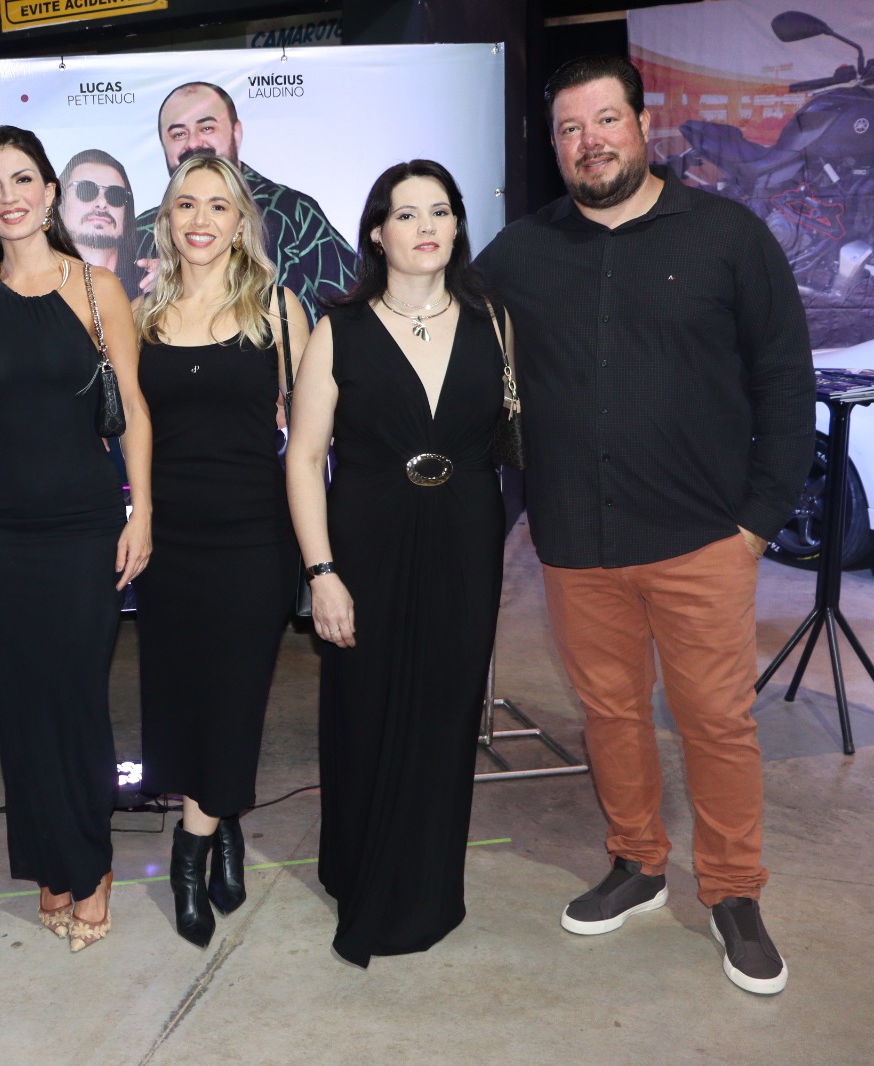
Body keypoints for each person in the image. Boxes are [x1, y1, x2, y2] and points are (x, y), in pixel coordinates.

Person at [475, 56, 815, 995]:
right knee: (611, 717)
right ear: (555, 147)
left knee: (716, 722)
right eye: (570, 129)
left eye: (604, 120)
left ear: (642, 124)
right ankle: (637, 863)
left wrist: (758, 522)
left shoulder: (726, 236)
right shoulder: (520, 253)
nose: (589, 142)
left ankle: (733, 892)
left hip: (704, 540)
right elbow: (441, 334)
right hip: (576, 543)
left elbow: (785, 382)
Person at [286, 160, 507, 968]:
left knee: (446, 715)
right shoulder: (338, 328)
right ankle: (358, 873)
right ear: (377, 233)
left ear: (457, 226)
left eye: (439, 211)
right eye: (406, 213)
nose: (425, 227)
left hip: (465, 543)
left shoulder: (493, 322)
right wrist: (322, 574)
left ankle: (428, 888)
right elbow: (303, 458)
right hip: (365, 548)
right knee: (365, 713)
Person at [0, 124, 152, 953]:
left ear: (51, 191)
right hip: (0, 529)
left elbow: (134, 408)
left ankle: (90, 863)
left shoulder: (97, 287)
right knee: (22, 703)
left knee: (76, 699)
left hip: (83, 526)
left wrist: (143, 512)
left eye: (23, 179)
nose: (10, 197)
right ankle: (47, 860)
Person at [133, 154, 308, 947]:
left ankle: (190, 849)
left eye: (217, 206)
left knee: (236, 694)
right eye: (185, 205)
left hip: (253, 538)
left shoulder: (277, 308)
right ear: (167, 221)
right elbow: (130, 430)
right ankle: (225, 821)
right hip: (168, 541)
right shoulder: (141, 315)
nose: (200, 219)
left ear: (241, 223)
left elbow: (314, 430)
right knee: (182, 695)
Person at [133, 81, 357, 322]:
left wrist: (180, 274)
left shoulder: (293, 210)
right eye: (178, 133)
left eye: (207, 128)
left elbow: (352, 311)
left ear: (236, 132)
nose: (194, 143)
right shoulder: (142, 228)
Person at [58, 148, 144, 299]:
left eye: (115, 195)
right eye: (86, 190)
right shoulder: (35, 283)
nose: (102, 203)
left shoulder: (150, 285)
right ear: (61, 202)